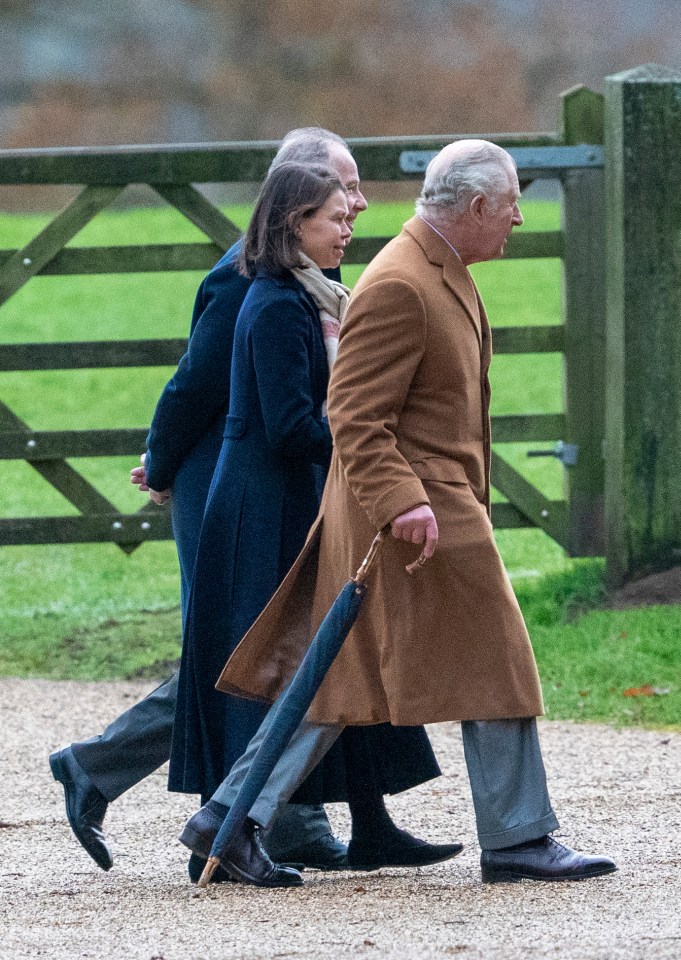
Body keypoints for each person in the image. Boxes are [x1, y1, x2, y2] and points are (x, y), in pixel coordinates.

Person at [187, 140, 617, 885]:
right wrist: (403, 501)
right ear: (477, 206)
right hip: (415, 517)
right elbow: (352, 415)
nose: (518, 216)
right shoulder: (401, 284)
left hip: (422, 511)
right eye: (511, 202)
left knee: (334, 681)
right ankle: (518, 838)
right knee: (500, 659)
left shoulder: (442, 269)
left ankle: (228, 816)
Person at [49, 129, 444, 881]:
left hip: (286, 475)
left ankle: (331, 819)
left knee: (300, 638)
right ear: (295, 200)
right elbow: (196, 385)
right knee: (243, 655)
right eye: (344, 190)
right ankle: (107, 772)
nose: (359, 204)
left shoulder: (317, 274)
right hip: (229, 482)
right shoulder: (245, 283)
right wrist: (161, 468)